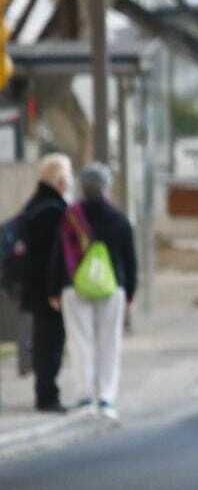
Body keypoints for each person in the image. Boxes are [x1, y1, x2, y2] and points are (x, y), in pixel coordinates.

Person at [46, 163, 135, 421]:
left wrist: (53, 289)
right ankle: (106, 397)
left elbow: (57, 256)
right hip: (111, 288)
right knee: (109, 342)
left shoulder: (70, 217)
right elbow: (130, 260)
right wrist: (129, 292)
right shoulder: (119, 219)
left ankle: (85, 396)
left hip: (74, 287)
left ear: (82, 188)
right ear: (107, 187)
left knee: (80, 341)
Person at [17, 153, 73, 412]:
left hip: (35, 285)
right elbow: (54, 255)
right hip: (48, 289)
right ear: (61, 179)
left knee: (44, 341)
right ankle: (47, 395)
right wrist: (55, 289)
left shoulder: (36, 204)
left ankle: (46, 391)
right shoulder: (53, 210)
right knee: (50, 343)